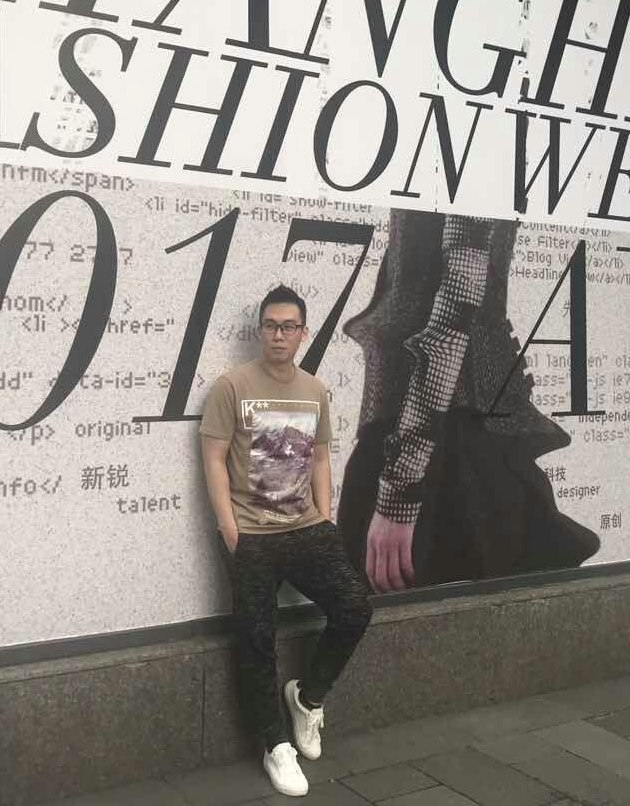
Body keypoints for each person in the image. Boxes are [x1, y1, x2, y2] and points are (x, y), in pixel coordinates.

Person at [338, 211, 600, 593]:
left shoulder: (470, 178)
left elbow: (454, 311)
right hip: (434, 424)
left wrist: (400, 492)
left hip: (442, 436)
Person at [200, 285, 373, 797]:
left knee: (355, 607)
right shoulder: (232, 386)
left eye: (288, 326)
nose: (279, 335)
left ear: (302, 333)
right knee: (257, 638)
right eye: (271, 325)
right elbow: (212, 460)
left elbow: (319, 457)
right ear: (261, 330)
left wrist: (326, 518)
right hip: (250, 535)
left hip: (305, 528)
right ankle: (275, 745)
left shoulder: (314, 390)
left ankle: (308, 698)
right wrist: (230, 530)